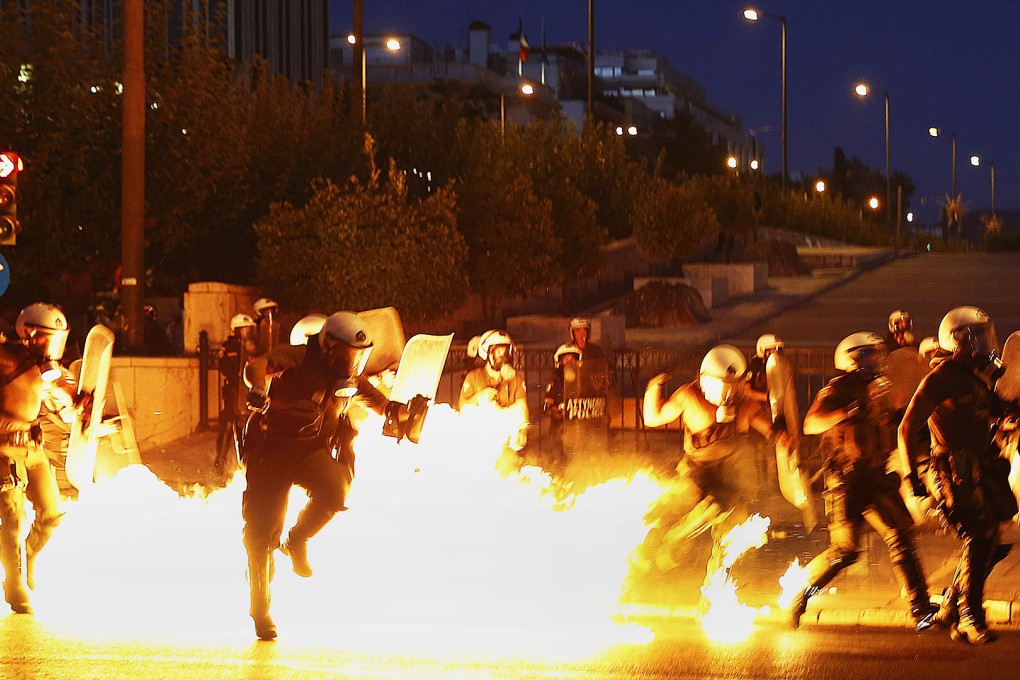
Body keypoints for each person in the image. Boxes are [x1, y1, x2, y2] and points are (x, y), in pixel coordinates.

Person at [240, 311, 393, 640]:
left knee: (335, 490)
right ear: (327, 346)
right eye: (346, 354)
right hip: (272, 451)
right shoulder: (298, 357)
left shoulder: (347, 379)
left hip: (310, 452)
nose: (351, 361)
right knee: (260, 534)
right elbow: (256, 367)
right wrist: (258, 389)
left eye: (357, 355)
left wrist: (401, 412)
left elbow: (379, 403)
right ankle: (260, 608)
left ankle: (297, 541)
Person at [788, 331, 937, 630]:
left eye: (876, 354)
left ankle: (920, 608)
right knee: (846, 551)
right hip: (848, 479)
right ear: (852, 359)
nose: (876, 360)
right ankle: (801, 595)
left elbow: (892, 424)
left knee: (901, 538)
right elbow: (810, 423)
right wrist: (845, 412)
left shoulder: (880, 387)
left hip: (877, 474)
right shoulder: (838, 388)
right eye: (869, 355)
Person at [899, 306, 1016, 645]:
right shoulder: (941, 377)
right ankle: (969, 616)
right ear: (958, 341)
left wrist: (1011, 413)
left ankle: (952, 602)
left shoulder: (976, 376)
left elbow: (992, 410)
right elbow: (907, 427)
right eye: (976, 337)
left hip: (981, 464)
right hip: (951, 470)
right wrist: (911, 477)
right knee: (979, 536)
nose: (983, 344)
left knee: (996, 541)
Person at [640, 344, 780, 601]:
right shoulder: (689, 397)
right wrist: (654, 386)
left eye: (733, 385)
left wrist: (784, 439)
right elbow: (653, 417)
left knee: (732, 534)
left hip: (729, 474)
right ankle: (671, 543)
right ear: (706, 381)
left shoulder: (744, 405)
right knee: (713, 505)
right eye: (723, 385)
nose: (728, 392)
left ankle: (714, 592)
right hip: (696, 474)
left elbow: (771, 431)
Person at [0, 303, 76, 614]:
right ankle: (14, 583)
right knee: (14, 519)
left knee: (52, 513)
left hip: (33, 450)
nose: (52, 347)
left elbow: (63, 397)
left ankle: (28, 555)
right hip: (4, 450)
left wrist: (79, 406)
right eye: (48, 339)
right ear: (29, 334)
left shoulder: (47, 369)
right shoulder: (5, 359)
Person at [459, 330, 529, 471]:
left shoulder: (515, 379)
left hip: (507, 448)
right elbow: (463, 407)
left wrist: (523, 431)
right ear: (487, 353)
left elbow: (522, 406)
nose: (502, 356)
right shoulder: (473, 377)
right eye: (498, 352)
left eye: (505, 351)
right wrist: (479, 396)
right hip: (479, 447)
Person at [216, 314, 259, 475]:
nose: (247, 331)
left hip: (246, 390)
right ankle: (219, 463)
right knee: (228, 424)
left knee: (244, 426)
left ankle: (245, 462)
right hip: (233, 389)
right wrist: (236, 374)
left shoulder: (253, 346)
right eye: (244, 329)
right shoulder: (229, 346)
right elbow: (224, 366)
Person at [542, 342, 583, 468]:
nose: (570, 362)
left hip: (580, 427)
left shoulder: (584, 381)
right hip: (560, 429)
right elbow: (547, 407)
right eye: (566, 359)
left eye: (573, 359)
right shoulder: (555, 384)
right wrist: (558, 412)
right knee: (559, 460)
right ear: (559, 362)